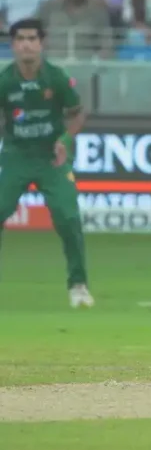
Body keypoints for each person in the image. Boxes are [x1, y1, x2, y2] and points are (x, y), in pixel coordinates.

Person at [0, 18, 93, 309]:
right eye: (20, 39)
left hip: (52, 158)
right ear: (13, 45)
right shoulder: (5, 80)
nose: (26, 44)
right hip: (17, 155)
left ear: (42, 43)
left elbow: (78, 113)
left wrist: (65, 140)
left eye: (32, 38)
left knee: (68, 217)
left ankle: (78, 285)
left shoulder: (56, 77)